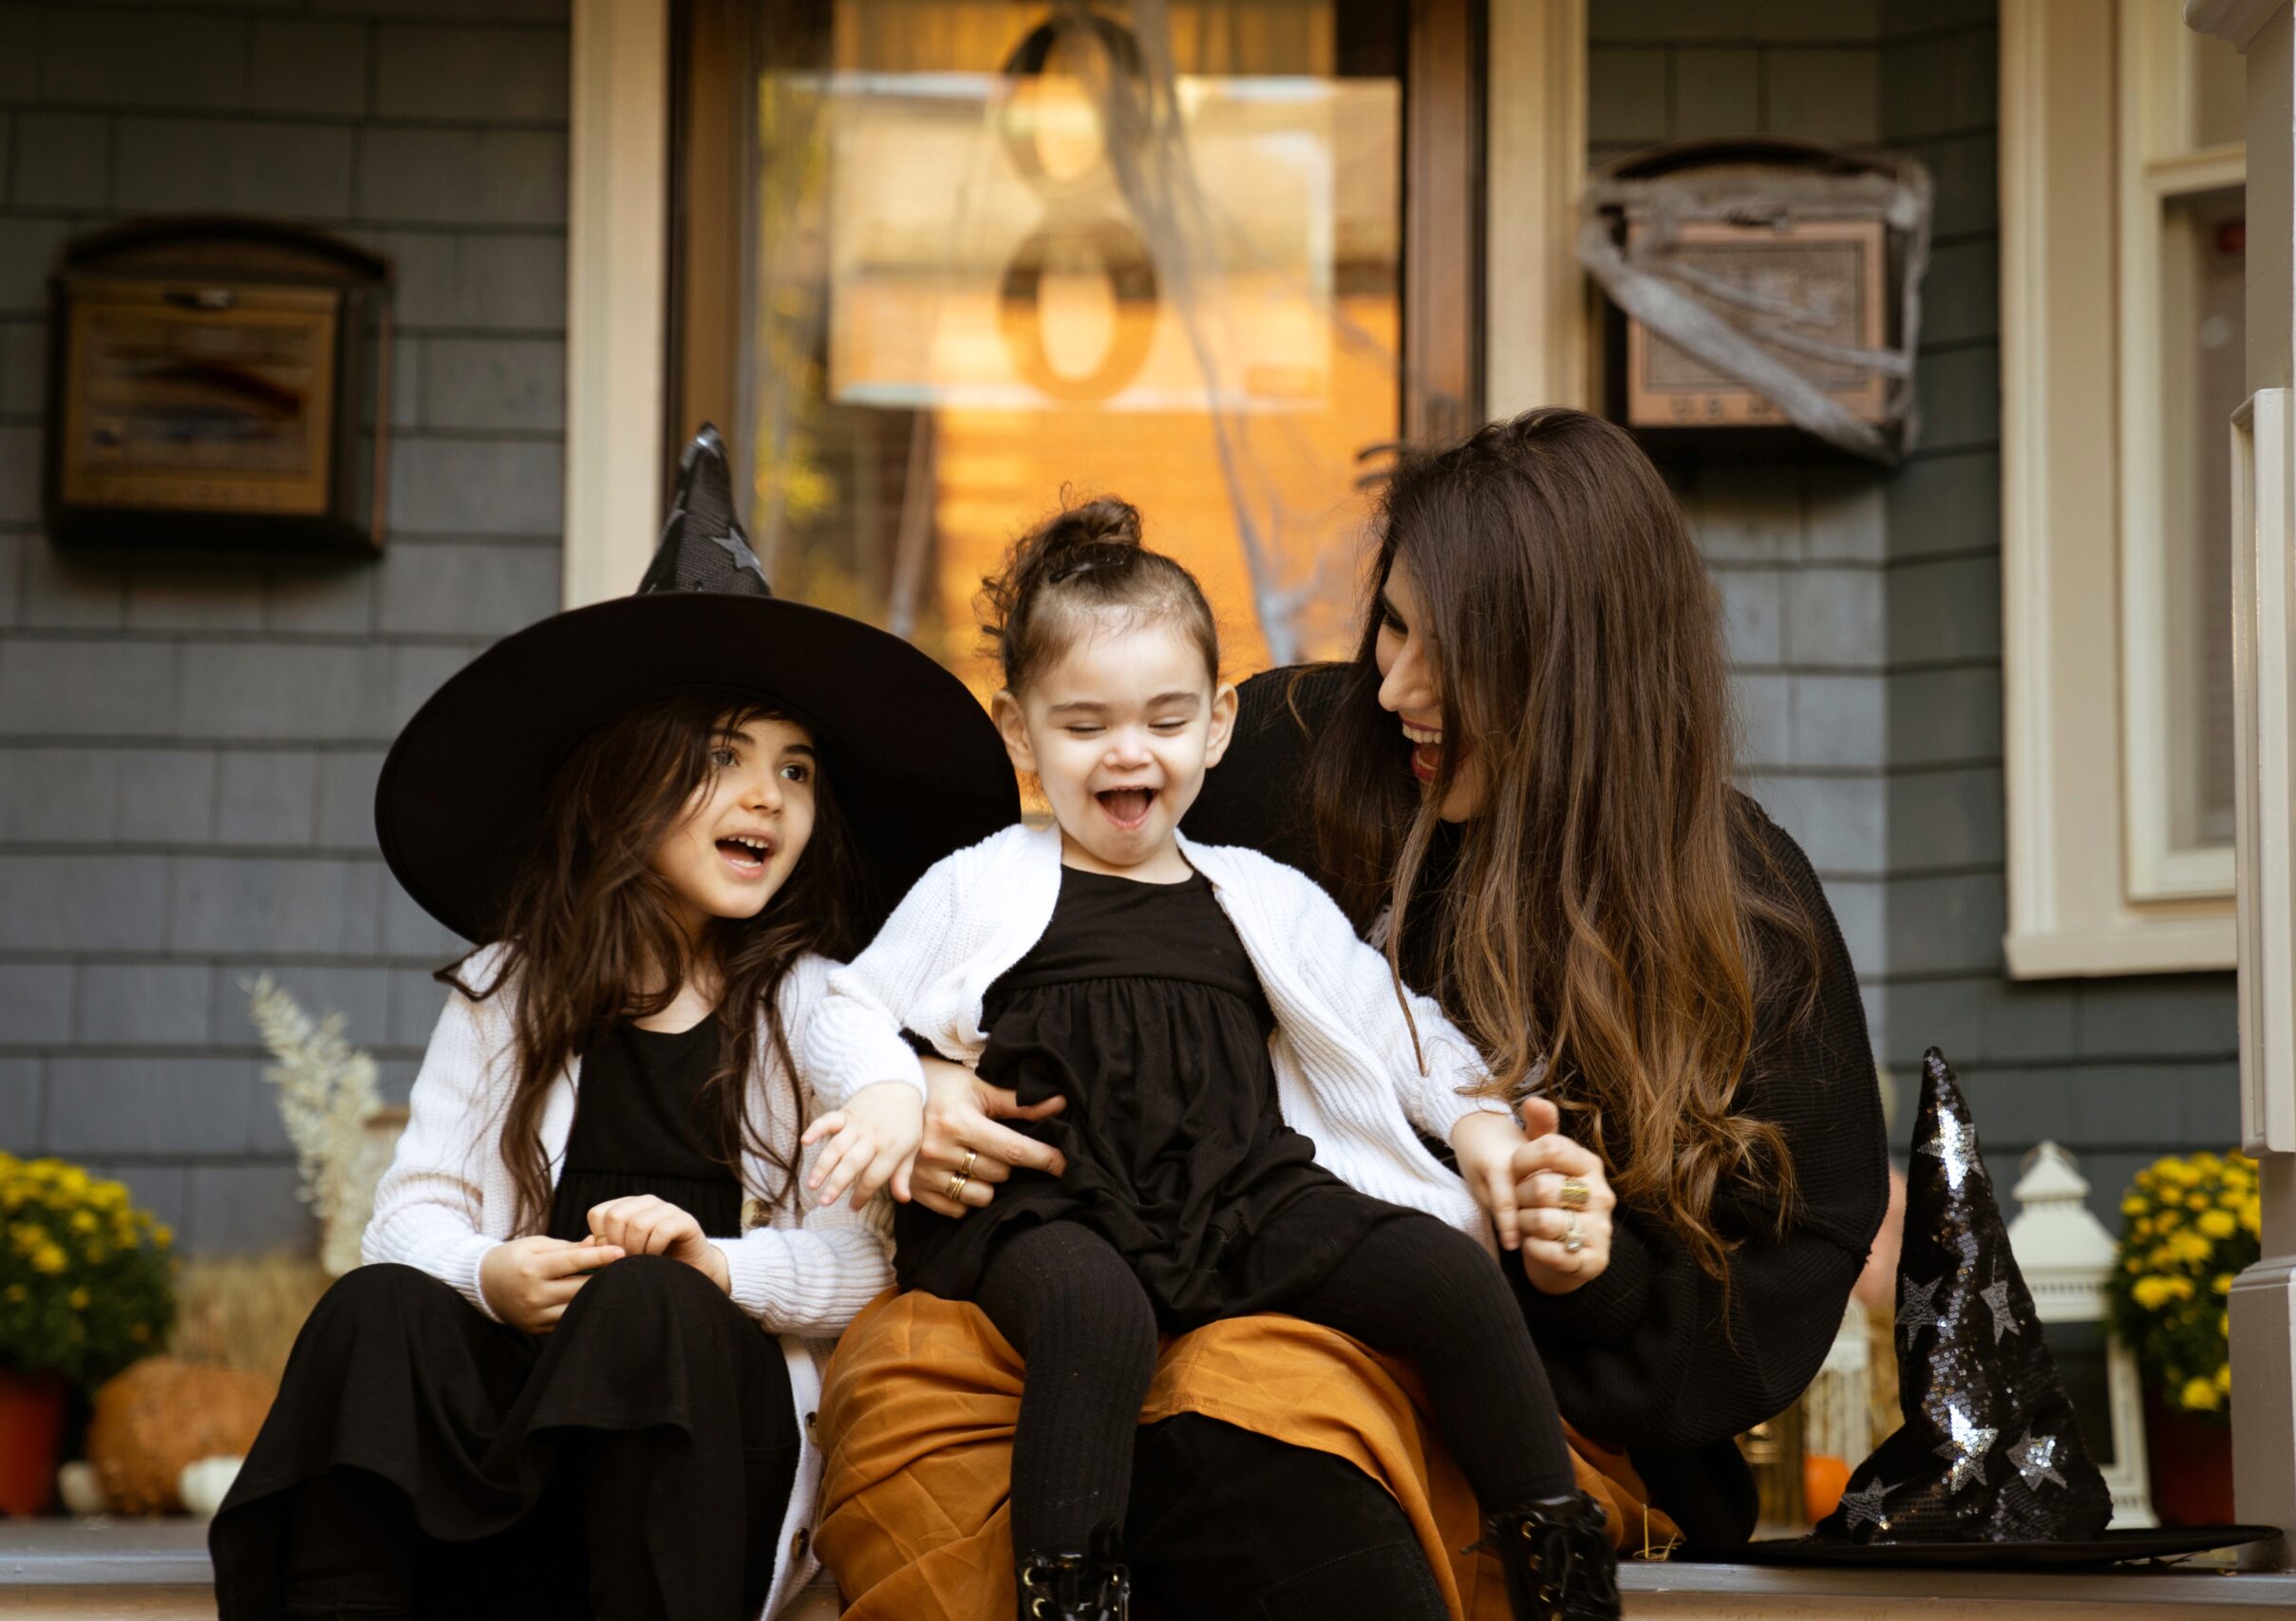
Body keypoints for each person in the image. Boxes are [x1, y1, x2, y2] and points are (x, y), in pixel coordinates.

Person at [815, 408, 1890, 1620]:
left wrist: (1582, 1261)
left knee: (1248, 1407)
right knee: (919, 1379)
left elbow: (1770, 1287)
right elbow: (985, 926)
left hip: (1499, 1393)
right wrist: (934, 1076)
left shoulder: (1743, 905)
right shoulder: (1282, 756)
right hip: (1136, 1299)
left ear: (1578, 668)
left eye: (1456, 651)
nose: (1396, 685)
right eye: (1390, 622)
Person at [209, 429, 1018, 1621]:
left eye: (796, 773)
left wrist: (711, 1262)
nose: (768, 799)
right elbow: (409, 1216)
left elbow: (860, 1268)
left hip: (685, 1466)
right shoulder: (513, 987)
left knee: (645, 1306)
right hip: (519, 1444)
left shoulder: (806, 1000)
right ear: (626, 788)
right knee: (372, 1309)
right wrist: (492, 1274)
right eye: (722, 759)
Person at [800, 499, 1624, 1621]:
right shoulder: (981, 882)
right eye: (1083, 725)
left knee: (1440, 1272)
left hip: (1235, 1191)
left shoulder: (1260, 895)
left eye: (1164, 718)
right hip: (1048, 1205)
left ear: (1219, 722)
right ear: (1018, 730)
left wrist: (1476, 1122)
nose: (1128, 751)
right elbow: (842, 1005)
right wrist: (895, 1087)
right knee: (1099, 1320)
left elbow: (1395, 1022)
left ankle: (1560, 1564)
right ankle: (1074, 1595)